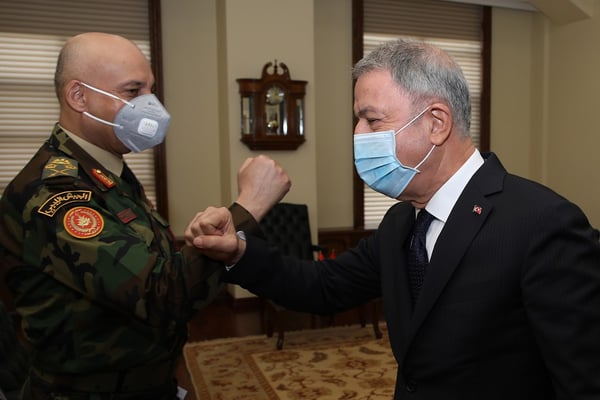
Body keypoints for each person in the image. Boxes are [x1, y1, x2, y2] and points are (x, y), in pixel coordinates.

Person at [186, 39, 600, 400]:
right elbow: (323, 287)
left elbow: (581, 381)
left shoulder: (543, 223)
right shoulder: (402, 222)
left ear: (436, 123)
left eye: (372, 119)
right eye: (357, 119)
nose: (358, 133)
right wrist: (239, 252)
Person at [0, 32, 290, 399]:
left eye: (151, 90)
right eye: (133, 91)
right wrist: (250, 205)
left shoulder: (106, 171)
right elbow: (159, 294)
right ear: (78, 96)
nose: (151, 105)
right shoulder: (55, 192)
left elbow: (153, 267)